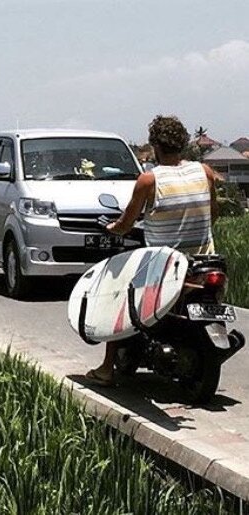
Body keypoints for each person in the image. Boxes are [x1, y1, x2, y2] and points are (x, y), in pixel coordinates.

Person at [85, 115, 219, 386]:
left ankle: (107, 368)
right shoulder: (203, 171)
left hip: (165, 264)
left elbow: (126, 224)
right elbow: (213, 213)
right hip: (205, 261)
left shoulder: (148, 181)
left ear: (155, 146)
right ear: (183, 142)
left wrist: (111, 228)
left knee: (120, 295)